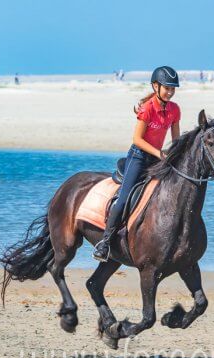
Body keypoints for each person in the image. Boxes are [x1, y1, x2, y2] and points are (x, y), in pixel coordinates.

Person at [92, 66, 181, 261]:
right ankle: (105, 243)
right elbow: (137, 139)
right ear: (155, 86)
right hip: (139, 157)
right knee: (123, 199)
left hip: (159, 158)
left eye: (173, 89)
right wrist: (159, 153)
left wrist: (176, 156)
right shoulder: (148, 108)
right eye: (167, 88)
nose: (171, 92)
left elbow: (176, 140)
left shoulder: (174, 109)